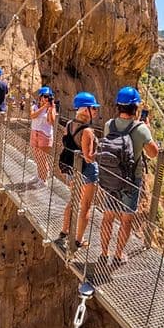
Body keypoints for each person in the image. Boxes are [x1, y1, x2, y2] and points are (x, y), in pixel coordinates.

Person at [98, 86, 159, 265]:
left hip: (111, 177)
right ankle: (118, 255)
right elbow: (153, 153)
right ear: (136, 108)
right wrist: (147, 129)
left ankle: (103, 253)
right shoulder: (141, 129)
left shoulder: (109, 125)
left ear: (118, 106)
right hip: (132, 180)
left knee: (108, 216)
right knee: (126, 219)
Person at [56, 92, 100, 249]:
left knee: (73, 200)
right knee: (85, 205)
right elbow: (89, 157)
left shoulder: (69, 124)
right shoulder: (87, 131)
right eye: (93, 108)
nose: (95, 111)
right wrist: (100, 149)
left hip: (72, 169)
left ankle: (64, 231)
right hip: (86, 170)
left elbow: (68, 144)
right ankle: (78, 240)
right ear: (85, 110)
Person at [29, 86, 57, 184]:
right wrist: (44, 107)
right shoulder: (34, 106)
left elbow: (51, 121)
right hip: (34, 133)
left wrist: (49, 109)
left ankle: (44, 179)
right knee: (37, 157)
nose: (46, 99)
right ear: (40, 97)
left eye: (48, 97)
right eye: (45, 96)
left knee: (42, 158)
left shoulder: (51, 108)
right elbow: (32, 116)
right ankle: (40, 175)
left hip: (45, 135)